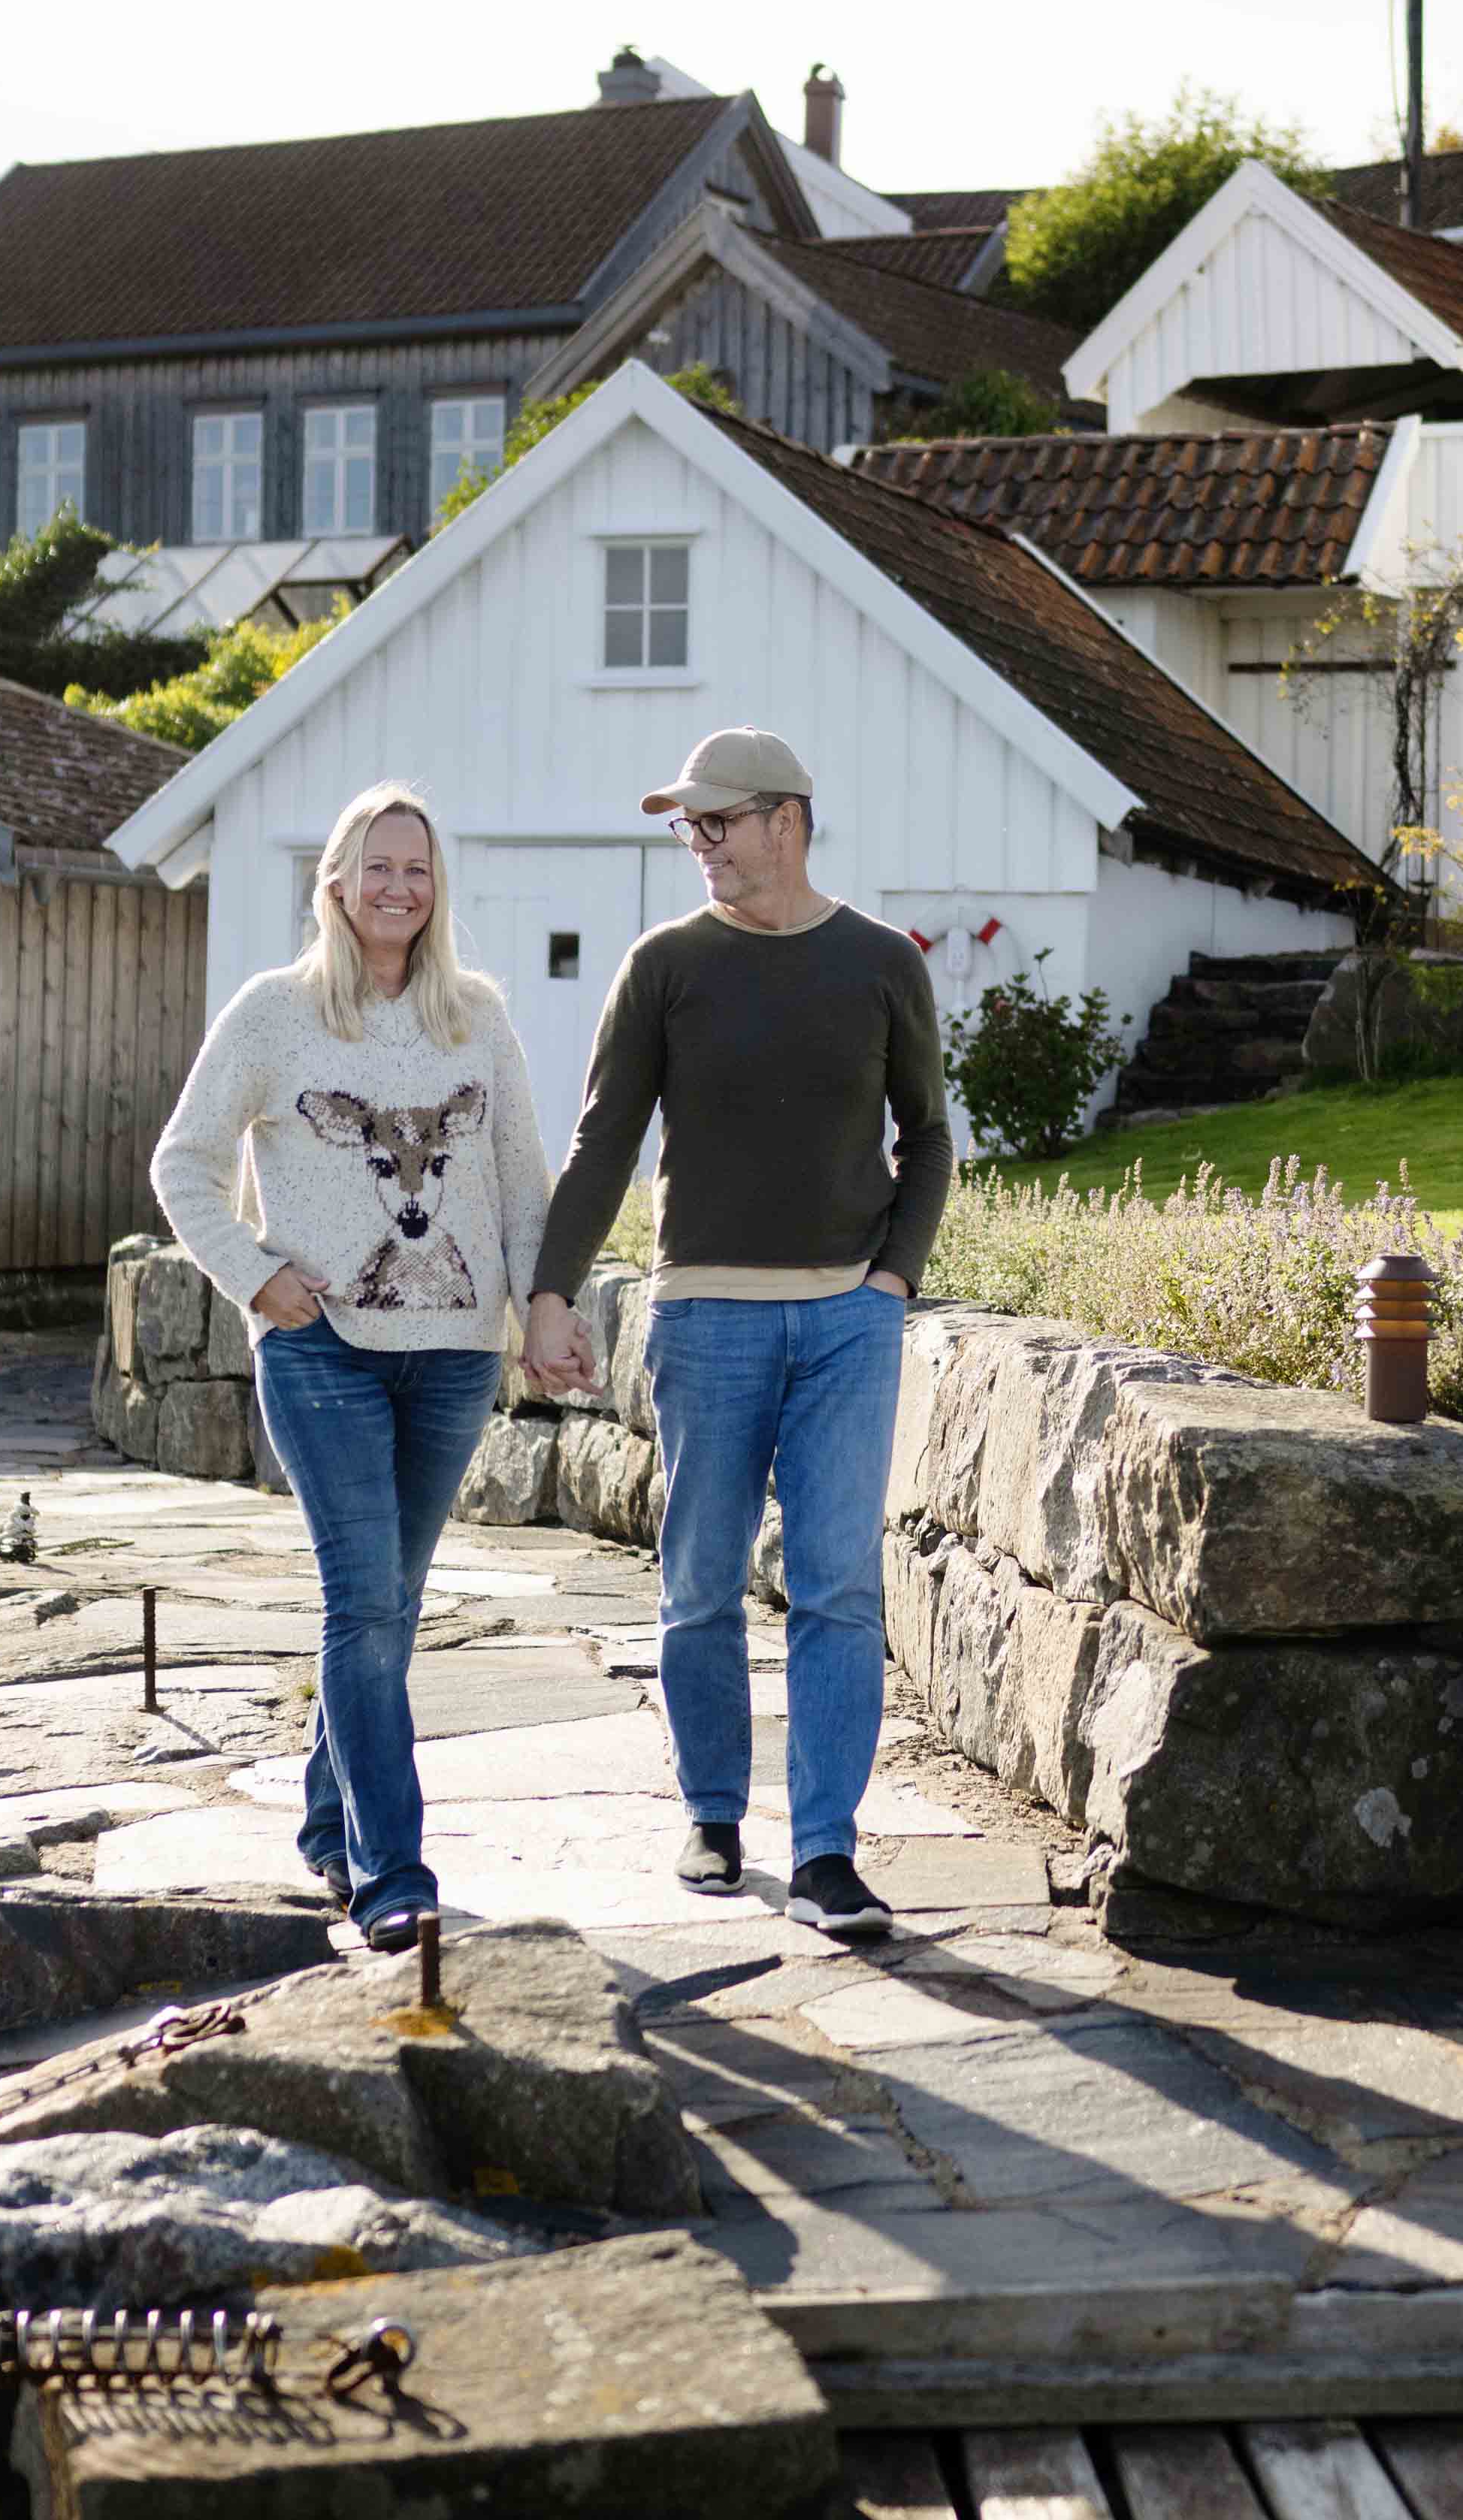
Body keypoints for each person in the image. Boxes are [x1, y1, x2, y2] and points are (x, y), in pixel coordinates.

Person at [524, 728, 948, 1942]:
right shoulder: (663, 967)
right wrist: (551, 1290)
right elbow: (603, 1139)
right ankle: (712, 1812)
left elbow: (927, 1135)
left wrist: (891, 1280)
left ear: (787, 822)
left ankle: (825, 1852)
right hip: (704, 1316)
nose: (699, 842)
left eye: (718, 821)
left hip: (846, 1325)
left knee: (838, 1588)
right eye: (688, 825)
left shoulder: (881, 963)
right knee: (700, 1578)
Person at [148, 782, 546, 1957]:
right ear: (335, 883)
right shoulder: (276, 1014)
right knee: (364, 1603)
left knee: (394, 1604)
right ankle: (391, 1874)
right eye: (377, 866)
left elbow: (522, 1184)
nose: (397, 888)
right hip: (321, 1351)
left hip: (455, 1357)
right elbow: (184, 1162)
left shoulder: (478, 1019)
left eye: (417, 869)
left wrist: (542, 1311)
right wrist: (252, 1274)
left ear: (437, 889)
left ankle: (330, 1821)